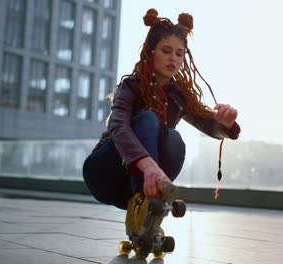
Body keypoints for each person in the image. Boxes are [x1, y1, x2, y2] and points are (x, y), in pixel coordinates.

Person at [82, 8, 241, 212]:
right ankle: (147, 199)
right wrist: (148, 166)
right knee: (148, 118)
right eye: (166, 51)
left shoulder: (179, 95)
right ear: (151, 52)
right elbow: (118, 126)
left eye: (179, 53)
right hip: (105, 174)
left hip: (140, 184)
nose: (173, 58)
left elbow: (209, 125)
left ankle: (148, 206)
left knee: (174, 139)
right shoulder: (131, 86)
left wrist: (225, 123)